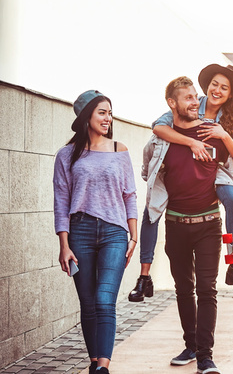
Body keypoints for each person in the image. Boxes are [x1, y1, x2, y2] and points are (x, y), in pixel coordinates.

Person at [129, 64, 233, 302]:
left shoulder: (230, 119)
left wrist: (223, 134)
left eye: (224, 88)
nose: (218, 90)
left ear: (229, 94)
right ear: (207, 85)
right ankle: (144, 277)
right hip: (185, 171)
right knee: (151, 209)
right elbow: (159, 126)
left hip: (216, 175)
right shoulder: (192, 103)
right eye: (215, 84)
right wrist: (191, 142)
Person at [144, 76, 230, 373]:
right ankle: (190, 346)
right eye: (189, 98)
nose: (196, 102)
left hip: (209, 224)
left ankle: (205, 356)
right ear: (172, 103)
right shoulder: (161, 138)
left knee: (207, 290)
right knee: (184, 289)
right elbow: (148, 171)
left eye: (196, 96)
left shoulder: (213, 133)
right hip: (176, 224)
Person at [53, 90, 138, 374]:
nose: (108, 118)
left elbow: (130, 195)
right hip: (80, 233)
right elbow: (61, 200)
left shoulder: (119, 150)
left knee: (104, 300)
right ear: (85, 116)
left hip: (115, 233)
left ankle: (104, 365)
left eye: (109, 112)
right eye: (102, 112)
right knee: (88, 303)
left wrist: (133, 235)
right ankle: (95, 365)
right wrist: (64, 245)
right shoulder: (66, 155)